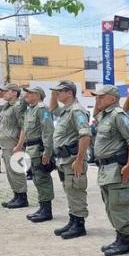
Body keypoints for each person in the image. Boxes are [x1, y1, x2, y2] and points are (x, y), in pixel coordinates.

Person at [92, 85, 129, 256]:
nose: (97, 99)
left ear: (112, 99)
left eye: (101, 97)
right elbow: (94, 114)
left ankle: (125, 242)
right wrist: (98, 102)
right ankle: (119, 238)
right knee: (110, 205)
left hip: (118, 168)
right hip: (105, 168)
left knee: (119, 205)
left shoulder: (118, 116)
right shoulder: (104, 116)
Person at [49, 80, 92, 239]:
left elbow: (85, 135)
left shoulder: (76, 111)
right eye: (56, 92)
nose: (57, 94)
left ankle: (79, 225)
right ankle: (73, 220)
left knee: (76, 191)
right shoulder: (66, 110)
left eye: (60, 91)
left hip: (73, 159)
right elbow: (52, 109)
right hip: (64, 159)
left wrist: (80, 160)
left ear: (70, 93)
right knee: (70, 191)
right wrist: (54, 92)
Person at [22, 86, 55, 221]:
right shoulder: (31, 110)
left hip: (39, 149)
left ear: (38, 95)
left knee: (42, 179)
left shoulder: (42, 109)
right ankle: (43, 207)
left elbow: (48, 130)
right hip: (31, 149)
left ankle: (47, 211)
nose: (26, 95)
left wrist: (47, 151)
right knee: (36, 178)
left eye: (29, 93)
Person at [0, 84, 27, 208]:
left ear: (14, 93)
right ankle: (16, 195)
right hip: (6, 145)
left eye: (6, 91)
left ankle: (22, 198)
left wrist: (19, 145)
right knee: (10, 172)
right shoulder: (6, 107)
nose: (3, 93)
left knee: (16, 170)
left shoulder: (18, 106)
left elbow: (23, 127)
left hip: (14, 144)